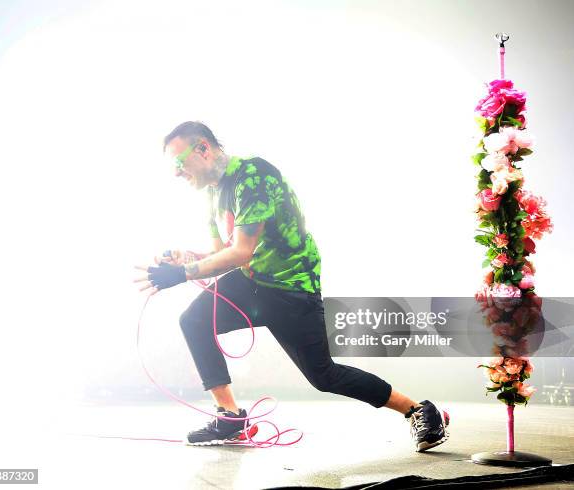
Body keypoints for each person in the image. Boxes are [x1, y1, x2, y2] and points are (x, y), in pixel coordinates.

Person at [135, 121, 449, 451]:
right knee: (194, 320)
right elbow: (221, 254)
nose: (176, 172)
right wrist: (185, 259)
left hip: (291, 289)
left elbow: (241, 251)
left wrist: (183, 273)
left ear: (203, 149)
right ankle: (230, 417)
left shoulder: (254, 176)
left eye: (178, 162)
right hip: (253, 281)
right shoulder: (213, 195)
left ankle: (420, 411)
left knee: (324, 377)